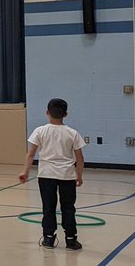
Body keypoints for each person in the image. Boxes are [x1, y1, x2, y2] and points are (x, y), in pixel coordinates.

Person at [19, 98, 86, 250]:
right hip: (67, 176)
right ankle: (71, 239)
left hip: (46, 175)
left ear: (47, 113)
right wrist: (79, 176)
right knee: (68, 208)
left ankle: (48, 238)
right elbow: (80, 158)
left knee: (48, 207)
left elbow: (31, 154)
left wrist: (25, 172)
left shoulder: (40, 131)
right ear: (66, 114)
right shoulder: (72, 133)